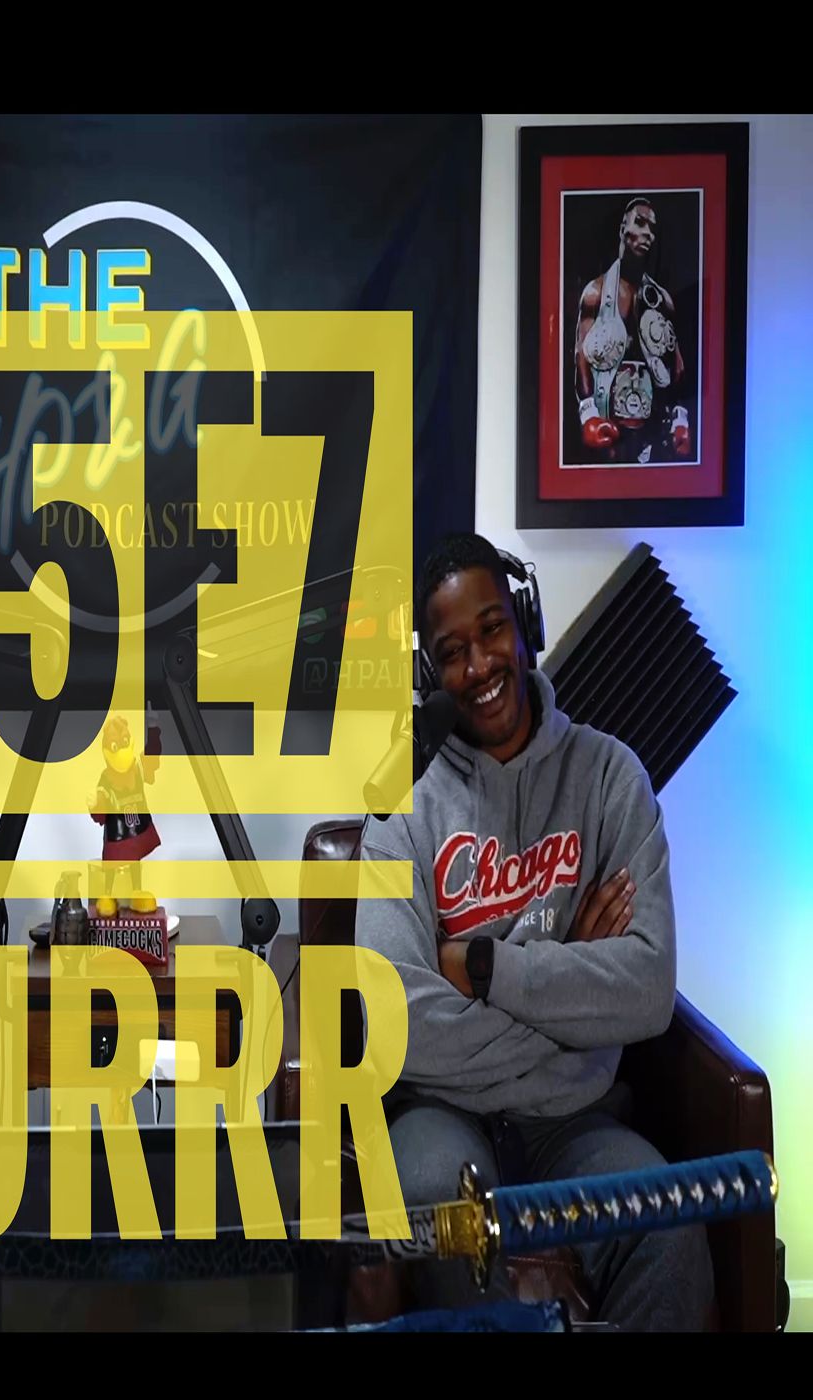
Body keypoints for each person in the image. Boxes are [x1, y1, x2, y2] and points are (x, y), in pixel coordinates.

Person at [354, 532, 713, 1330]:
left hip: (576, 1122)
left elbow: (646, 993)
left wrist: (485, 967)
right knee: (443, 1212)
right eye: (452, 651)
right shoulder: (399, 807)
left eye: (491, 630)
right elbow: (394, 1024)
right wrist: (573, 977)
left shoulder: (611, 779)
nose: (479, 664)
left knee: (668, 1224)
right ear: (429, 673)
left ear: (524, 626)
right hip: (439, 1116)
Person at [574, 196, 690, 465]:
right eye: (640, 222)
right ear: (622, 229)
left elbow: (677, 366)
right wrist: (588, 414)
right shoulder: (595, 293)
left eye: (652, 228)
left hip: (653, 436)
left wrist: (681, 419)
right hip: (608, 431)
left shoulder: (662, 301)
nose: (648, 233)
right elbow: (582, 357)